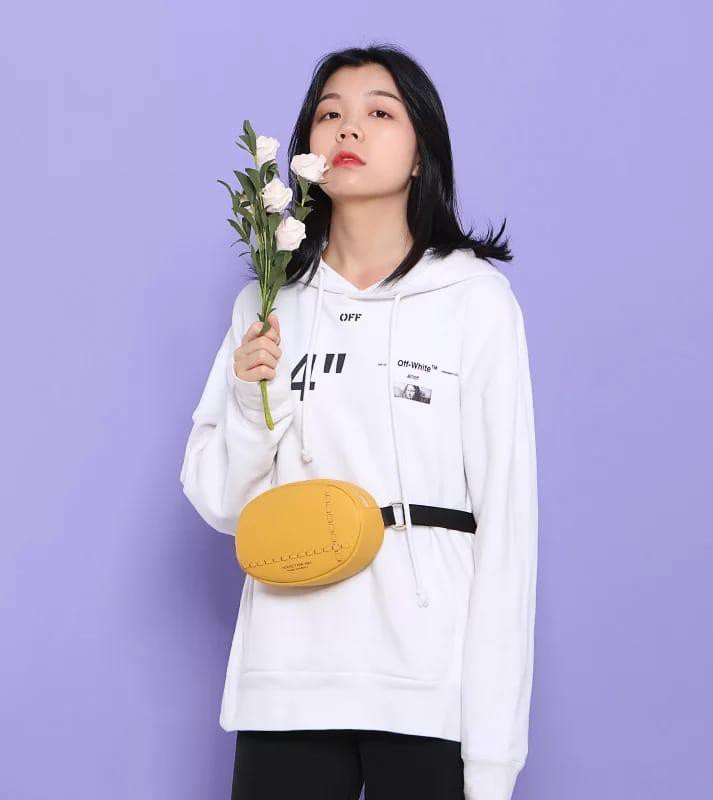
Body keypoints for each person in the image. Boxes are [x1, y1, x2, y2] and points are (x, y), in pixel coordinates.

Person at [180, 43, 540, 800]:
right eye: (330, 114)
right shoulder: (267, 304)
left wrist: (493, 756)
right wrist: (250, 400)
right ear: (306, 151)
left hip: (426, 684)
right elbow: (219, 503)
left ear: (421, 153)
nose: (349, 128)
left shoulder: (475, 301)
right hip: (286, 681)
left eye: (380, 112)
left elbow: (509, 528)